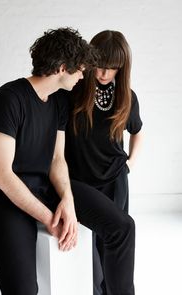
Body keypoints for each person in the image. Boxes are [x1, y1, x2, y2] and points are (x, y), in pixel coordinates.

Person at [0, 27, 135, 295]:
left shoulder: (58, 101)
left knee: (122, 227)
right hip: (4, 202)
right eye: (80, 70)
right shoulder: (8, 99)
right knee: (23, 289)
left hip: (45, 189)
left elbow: (56, 158)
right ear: (63, 68)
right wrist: (51, 219)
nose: (84, 75)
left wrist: (68, 201)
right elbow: (1, 175)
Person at [65, 30, 143, 295]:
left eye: (112, 68)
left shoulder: (127, 97)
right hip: (80, 182)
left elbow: (138, 131)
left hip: (114, 182)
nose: (104, 74)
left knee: (113, 246)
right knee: (89, 251)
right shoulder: (73, 92)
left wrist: (130, 163)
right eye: (100, 65)